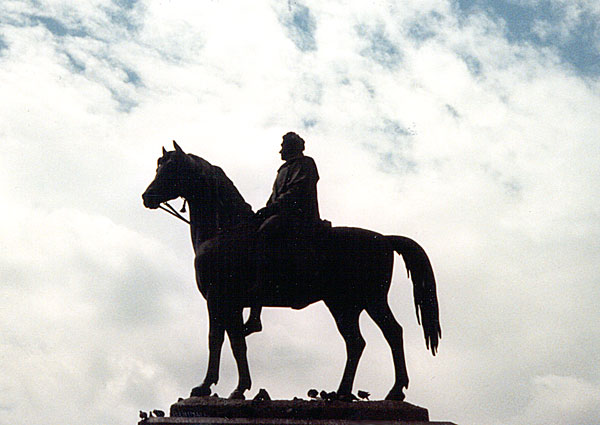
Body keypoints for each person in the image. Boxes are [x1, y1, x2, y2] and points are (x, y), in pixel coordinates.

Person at [243, 132, 321, 336]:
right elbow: (275, 197)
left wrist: (271, 209)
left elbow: (297, 192)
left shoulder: (306, 164)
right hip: (282, 214)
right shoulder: (283, 170)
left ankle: (257, 305)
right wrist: (262, 211)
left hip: (298, 218)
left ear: (293, 147)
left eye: (283, 146)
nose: (280, 150)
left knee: (265, 233)